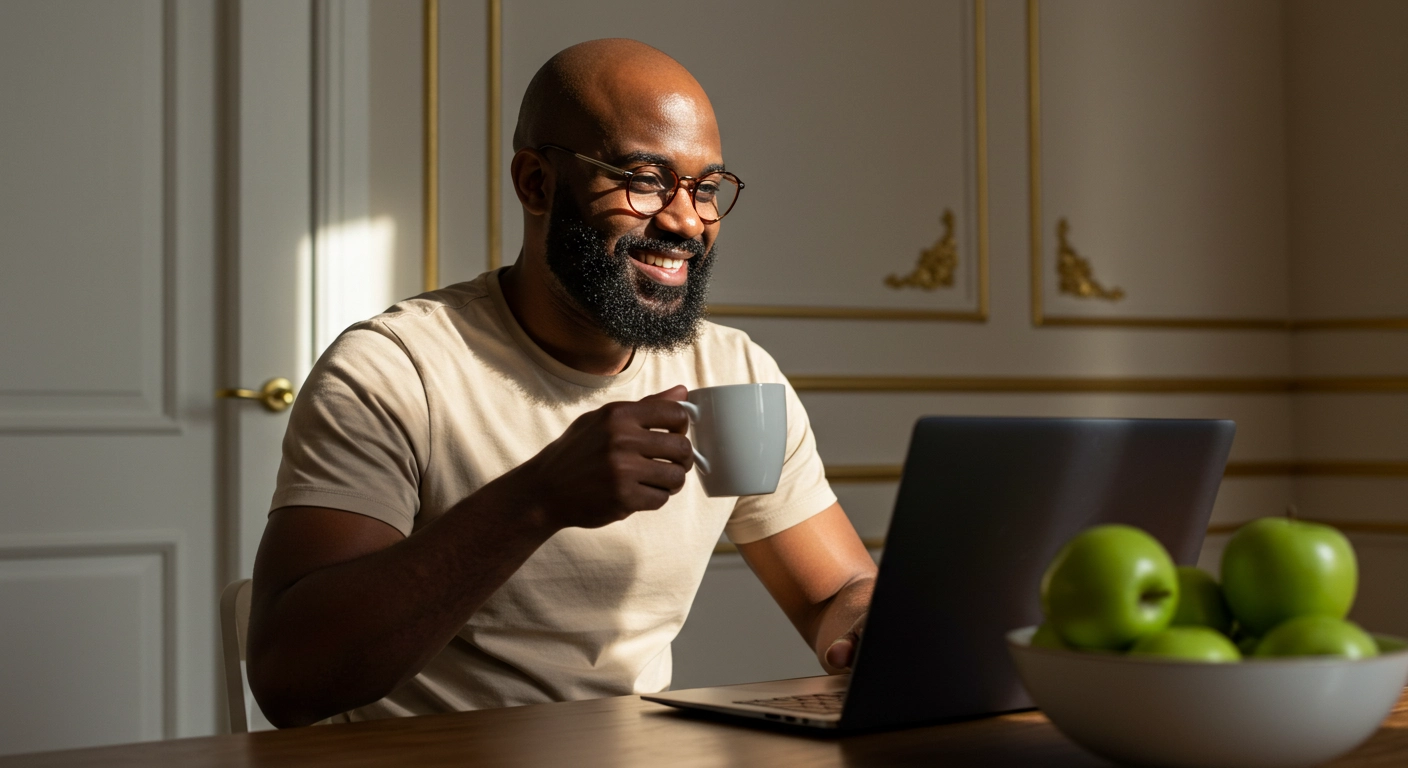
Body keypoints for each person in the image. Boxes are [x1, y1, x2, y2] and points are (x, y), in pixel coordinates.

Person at [246, 38, 876, 728]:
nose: (684, 219)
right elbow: (289, 678)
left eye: (704, 189)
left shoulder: (729, 373)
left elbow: (834, 590)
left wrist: (869, 623)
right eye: (643, 179)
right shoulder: (395, 372)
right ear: (536, 183)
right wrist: (535, 501)